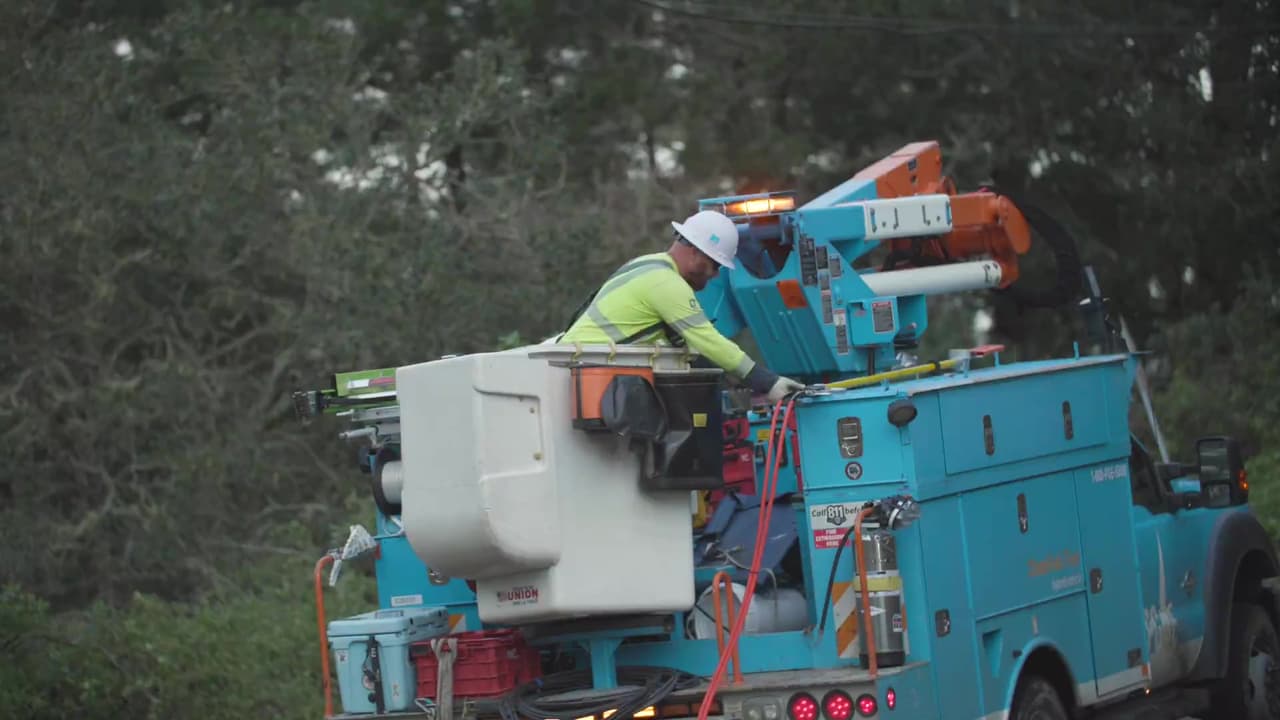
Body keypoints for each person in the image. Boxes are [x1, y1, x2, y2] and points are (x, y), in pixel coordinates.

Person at [560, 209, 804, 402]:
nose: (715, 275)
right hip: (585, 373)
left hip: (578, 369)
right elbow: (707, 339)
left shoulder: (647, 264)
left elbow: (683, 344)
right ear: (696, 253)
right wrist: (766, 381)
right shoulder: (666, 283)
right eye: (715, 265)